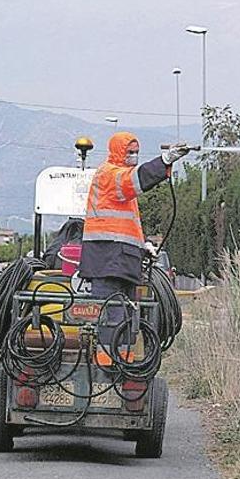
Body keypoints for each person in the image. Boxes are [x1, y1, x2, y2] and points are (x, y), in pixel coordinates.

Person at [79, 132, 190, 361]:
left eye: (136, 152)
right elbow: (134, 180)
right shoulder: (109, 174)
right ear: (118, 152)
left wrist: (142, 245)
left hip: (122, 259)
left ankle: (125, 360)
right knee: (114, 314)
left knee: (129, 315)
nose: (134, 156)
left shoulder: (122, 187)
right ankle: (108, 360)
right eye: (129, 152)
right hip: (107, 259)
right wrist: (165, 161)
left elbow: (125, 227)